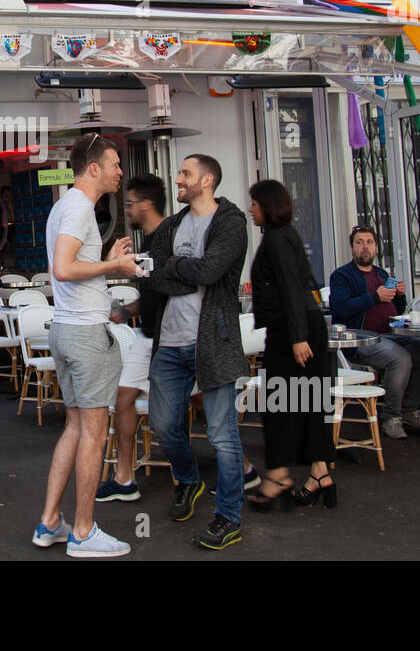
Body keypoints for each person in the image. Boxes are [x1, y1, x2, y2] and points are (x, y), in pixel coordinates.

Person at [33, 134, 139, 558]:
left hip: (66, 329)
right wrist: (115, 265)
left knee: (76, 429)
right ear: (93, 168)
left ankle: (50, 522)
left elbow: (69, 265)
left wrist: (106, 257)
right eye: (114, 163)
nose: (119, 171)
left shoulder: (65, 207)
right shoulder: (78, 207)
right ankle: (83, 531)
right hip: (84, 334)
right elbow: (62, 267)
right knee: (94, 434)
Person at [144, 154, 250, 550]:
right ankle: (189, 481)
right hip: (170, 342)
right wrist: (181, 267)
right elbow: (153, 274)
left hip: (213, 340)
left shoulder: (231, 223)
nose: (179, 179)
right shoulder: (172, 224)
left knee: (222, 434)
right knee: (164, 424)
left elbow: (210, 272)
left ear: (207, 180)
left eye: (185, 173)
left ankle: (228, 516)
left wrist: (176, 266)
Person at [245, 179, 337, 512]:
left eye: (254, 204)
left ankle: (279, 475)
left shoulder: (278, 239)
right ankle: (319, 473)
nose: (250, 209)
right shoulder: (285, 236)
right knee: (306, 400)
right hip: (299, 327)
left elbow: (289, 288)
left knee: (280, 403)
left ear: (267, 206)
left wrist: (298, 337)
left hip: (293, 330)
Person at [96, 173, 165, 503]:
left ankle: (243, 467)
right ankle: (124, 478)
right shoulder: (149, 242)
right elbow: (152, 295)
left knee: (201, 403)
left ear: (147, 205)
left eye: (131, 204)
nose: (127, 210)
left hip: (171, 338)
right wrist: (126, 311)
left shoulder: (166, 239)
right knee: (123, 399)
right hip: (145, 335)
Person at [329, 225, 420, 439]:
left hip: (392, 334)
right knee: (400, 359)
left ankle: (409, 409)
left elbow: (396, 309)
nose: (364, 247)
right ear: (352, 248)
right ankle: (391, 417)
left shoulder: (382, 273)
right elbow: (340, 308)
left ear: (376, 247)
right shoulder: (341, 275)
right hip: (361, 338)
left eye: (369, 242)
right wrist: (374, 297)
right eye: (359, 242)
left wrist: (400, 296)